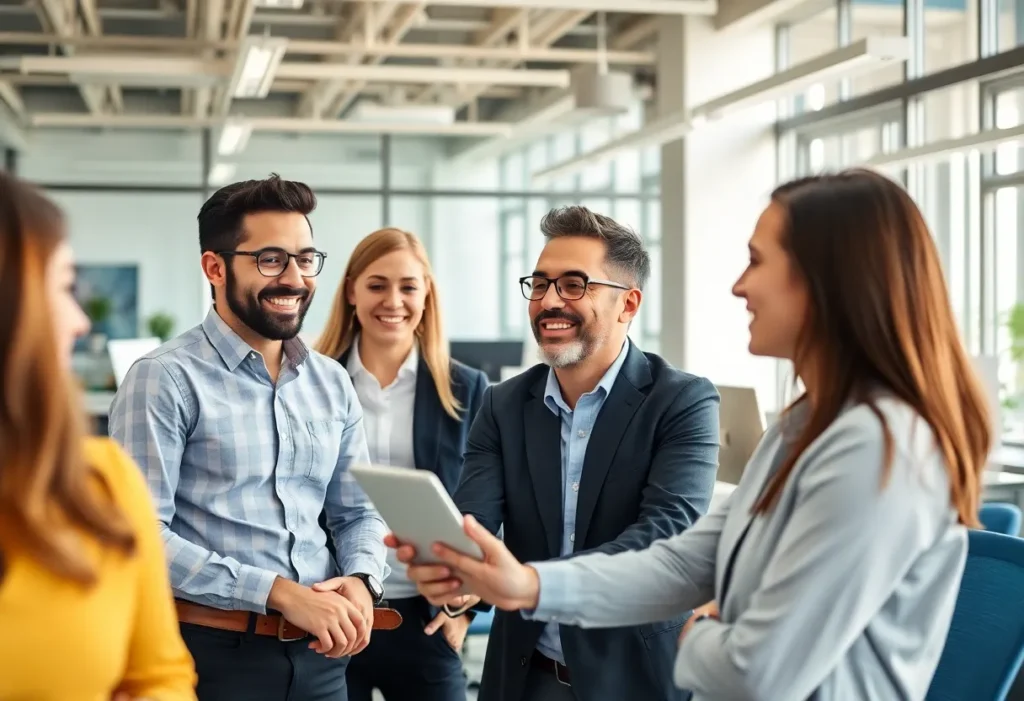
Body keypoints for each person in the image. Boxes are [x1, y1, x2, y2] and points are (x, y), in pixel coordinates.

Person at [396, 169, 991, 701]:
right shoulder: (800, 427)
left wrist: (698, 631)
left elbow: (754, 671)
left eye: (758, 261)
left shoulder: (878, 446)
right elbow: (689, 563)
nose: (739, 286)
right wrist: (523, 583)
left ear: (824, 283)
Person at [109, 175, 393, 701]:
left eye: (306, 259)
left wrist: (361, 578)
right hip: (209, 657)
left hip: (323, 660)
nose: (294, 278)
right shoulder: (164, 379)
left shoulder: (331, 381)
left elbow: (358, 512)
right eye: (270, 259)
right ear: (215, 268)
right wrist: (277, 593)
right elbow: (140, 538)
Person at [422, 206, 721, 701]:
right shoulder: (503, 403)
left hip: (634, 678)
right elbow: (474, 516)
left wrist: (530, 581)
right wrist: (459, 572)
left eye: (574, 285)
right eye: (539, 285)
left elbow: (663, 539)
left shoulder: (682, 401)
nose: (549, 301)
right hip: (524, 676)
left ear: (628, 304)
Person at [0, 173, 197, 700]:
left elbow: (165, 677)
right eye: (63, 287)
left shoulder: (102, 484)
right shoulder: (164, 376)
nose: (80, 321)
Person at [316, 227, 490, 701]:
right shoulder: (310, 380)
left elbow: (489, 503)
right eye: (377, 285)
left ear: (426, 294)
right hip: (330, 611)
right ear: (351, 290)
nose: (393, 300)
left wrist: (468, 611)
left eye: (408, 286)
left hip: (423, 616)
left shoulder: (465, 388)